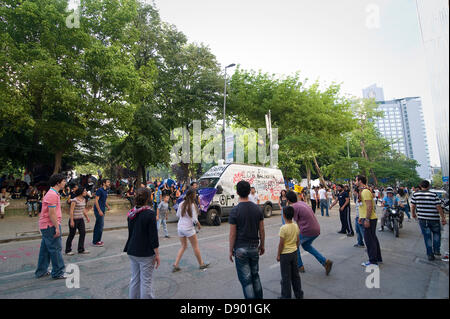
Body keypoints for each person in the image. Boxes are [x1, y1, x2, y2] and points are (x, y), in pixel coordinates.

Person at [229, 180, 265, 299]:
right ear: (249, 191)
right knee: (255, 276)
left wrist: (230, 250)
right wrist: (262, 245)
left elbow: (232, 234)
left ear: (237, 192)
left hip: (240, 249)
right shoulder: (257, 209)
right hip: (254, 247)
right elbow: (262, 230)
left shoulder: (235, 210)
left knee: (247, 281)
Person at [124, 187, 160, 299]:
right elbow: (153, 237)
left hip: (132, 249)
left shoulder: (131, 213)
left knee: (135, 279)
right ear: (148, 198)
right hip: (145, 252)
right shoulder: (150, 214)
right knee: (146, 282)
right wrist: (157, 254)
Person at [286, 191, 333, 275]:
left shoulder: (294, 207)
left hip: (307, 230)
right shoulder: (301, 203)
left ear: (288, 200)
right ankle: (325, 262)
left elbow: (296, 222)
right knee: (306, 246)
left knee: (294, 245)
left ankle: (299, 266)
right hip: (315, 228)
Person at [35, 174, 67, 279]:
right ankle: (58, 272)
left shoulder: (53, 193)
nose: (65, 183)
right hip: (50, 225)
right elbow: (52, 213)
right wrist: (57, 227)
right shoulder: (52, 195)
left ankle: (41, 271)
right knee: (55, 249)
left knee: (45, 250)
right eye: (63, 181)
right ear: (58, 182)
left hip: (46, 225)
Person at [173, 187, 209, 272]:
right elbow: (194, 219)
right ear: (193, 196)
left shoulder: (181, 203)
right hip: (188, 228)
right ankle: (201, 264)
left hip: (180, 228)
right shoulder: (192, 205)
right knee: (195, 247)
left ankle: (176, 264)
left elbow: (178, 215)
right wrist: (199, 224)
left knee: (183, 246)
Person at [411, 180, 447, 261]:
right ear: (429, 186)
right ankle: (437, 250)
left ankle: (430, 254)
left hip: (423, 219)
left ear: (420, 186)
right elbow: (439, 207)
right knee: (437, 234)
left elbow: (413, 206)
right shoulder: (433, 195)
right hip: (434, 219)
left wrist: (413, 214)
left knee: (427, 237)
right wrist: (443, 218)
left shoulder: (416, 195)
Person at [277, 206, 303, 299]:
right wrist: (295, 248)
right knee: (295, 275)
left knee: (285, 277)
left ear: (283, 215)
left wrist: (278, 255)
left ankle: (286, 296)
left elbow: (281, 244)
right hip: (294, 253)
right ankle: (299, 294)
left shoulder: (283, 228)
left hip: (285, 255)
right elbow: (298, 240)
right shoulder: (296, 225)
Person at [356, 175, 382, 267]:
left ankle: (373, 261)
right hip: (366, 218)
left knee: (369, 241)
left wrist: (366, 219)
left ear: (359, 181)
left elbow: (369, 206)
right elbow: (363, 206)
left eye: (356, 180)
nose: (355, 182)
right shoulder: (363, 191)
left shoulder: (365, 191)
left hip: (369, 219)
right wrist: (360, 217)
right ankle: (377, 258)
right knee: (373, 239)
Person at [65, 187, 91, 255]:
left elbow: (83, 210)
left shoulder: (84, 200)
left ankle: (81, 249)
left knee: (83, 233)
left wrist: (87, 217)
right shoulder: (74, 200)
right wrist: (72, 220)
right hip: (74, 219)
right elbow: (71, 211)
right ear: (81, 192)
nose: (86, 192)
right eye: (85, 191)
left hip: (80, 219)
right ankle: (68, 250)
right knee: (72, 234)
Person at [92, 179, 111, 247]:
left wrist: (107, 206)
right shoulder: (100, 190)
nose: (109, 183)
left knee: (100, 225)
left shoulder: (106, 191)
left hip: (103, 209)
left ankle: (98, 240)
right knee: (99, 225)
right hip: (98, 210)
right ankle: (95, 241)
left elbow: (103, 200)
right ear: (104, 183)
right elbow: (96, 201)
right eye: (108, 182)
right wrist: (99, 210)